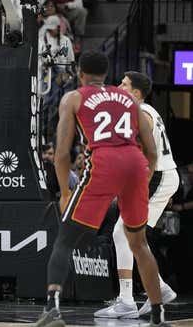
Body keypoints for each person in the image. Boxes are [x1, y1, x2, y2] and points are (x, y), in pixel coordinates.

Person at [32, 51, 166, 327]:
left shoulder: (74, 97)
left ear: (81, 73)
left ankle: (52, 309)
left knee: (65, 239)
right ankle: (157, 314)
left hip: (105, 162)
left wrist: (66, 194)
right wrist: (144, 176)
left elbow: (62, 154)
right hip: (135, 163)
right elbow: (151, 151)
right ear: (107, 75)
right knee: (139, 244)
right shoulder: (130, 99)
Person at [94, 72, 179, 319]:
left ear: (135, 93)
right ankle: (157, 289)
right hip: (159, 176)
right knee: (133, 237)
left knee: (123, 232)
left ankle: (127, 300)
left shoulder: (140, 113)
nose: (118, 85)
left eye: (124, 84)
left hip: (156, 176)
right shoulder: (141, 110)